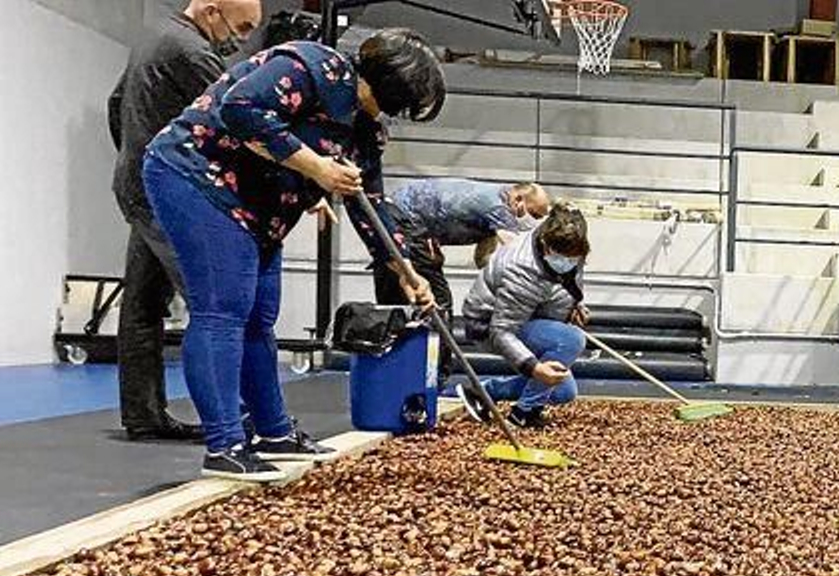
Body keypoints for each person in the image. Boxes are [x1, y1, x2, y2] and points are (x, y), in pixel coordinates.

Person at [142, 29, 445, 482]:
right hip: (198, 176)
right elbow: (240, 108)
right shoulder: (311, 68)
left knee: (260, 315)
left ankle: (274, 433)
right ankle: (224, 445)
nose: (395, 116)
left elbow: (371, 203)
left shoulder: (365, 130)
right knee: (223, 310)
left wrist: (403, 269)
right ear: (389, 86)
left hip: (258, 206)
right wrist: (316, 167)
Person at [108, 0, 262, 442]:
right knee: (214, 303)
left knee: (142, 304)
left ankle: (143, 415)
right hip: (168, 194)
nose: (242, 39)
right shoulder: (194, 53)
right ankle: (229, 419)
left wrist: (135, 157)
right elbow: (237, 123)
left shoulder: (153, 38)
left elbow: (116, 103)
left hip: (136, 184)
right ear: (212, 12)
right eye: (242, 27)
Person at [455, 204, 591, 430]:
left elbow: (565, 282)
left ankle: (482, 392)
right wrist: (535, 369)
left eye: (573, 258)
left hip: (529, 314)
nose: (568, 262)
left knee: (563, 391)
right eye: (562, 257)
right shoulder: (521, 268)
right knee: (571, 339)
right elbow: (502, 332)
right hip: (488, 323)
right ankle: (523, 414)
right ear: (545, 246)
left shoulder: (570, 243)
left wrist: (574, 305)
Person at [373, 178, 552, 320]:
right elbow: (517, 254)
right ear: (518, 200)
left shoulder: (494, 207)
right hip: (406, 221)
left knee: (395, 293)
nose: (533, 222)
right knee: (437, 299)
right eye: (534, 214)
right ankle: (437, 348)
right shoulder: (499, 207)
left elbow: (483, 259)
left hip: (397, 217)